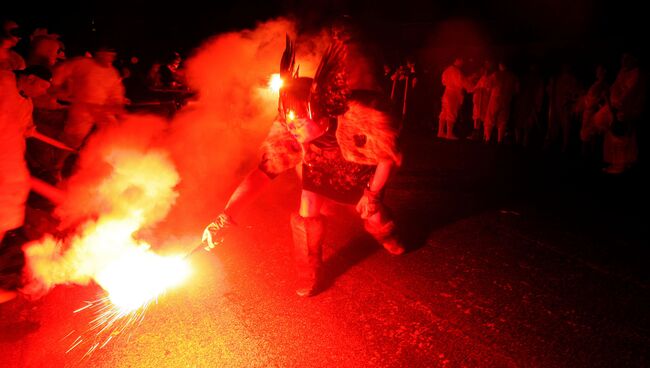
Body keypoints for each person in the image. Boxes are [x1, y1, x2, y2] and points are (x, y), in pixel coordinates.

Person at [202, 37, 404, 297]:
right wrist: (225, 218)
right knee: (306, 209)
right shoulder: (292, 131)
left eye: (298, 123)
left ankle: (389, 236)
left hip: (359, 172)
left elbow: (386, 156)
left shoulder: (358, 117)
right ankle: (308, 271)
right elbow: (263, 173)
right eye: (289, 123)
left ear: (319, 114)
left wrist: (373, 194)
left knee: (373, 216)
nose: (291, 128)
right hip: (318, 168)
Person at [0, 66, 52, 303]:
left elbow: (26, 131)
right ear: (30, 78)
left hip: (12, 171)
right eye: (42, 85)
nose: (43, 91)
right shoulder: (6, 90)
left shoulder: (25, 104)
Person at [438, 57, 474, 139]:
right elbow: (463, 82)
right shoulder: (457, 71)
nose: (462, 62)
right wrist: (472, 88)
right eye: (461, 60)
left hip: (447, 92)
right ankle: (449, 134)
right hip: (453, 94)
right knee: (451, 112)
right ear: (457, 60)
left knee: (444, 112)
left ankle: (440, 132)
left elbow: (443, 81)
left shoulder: (447, 70)